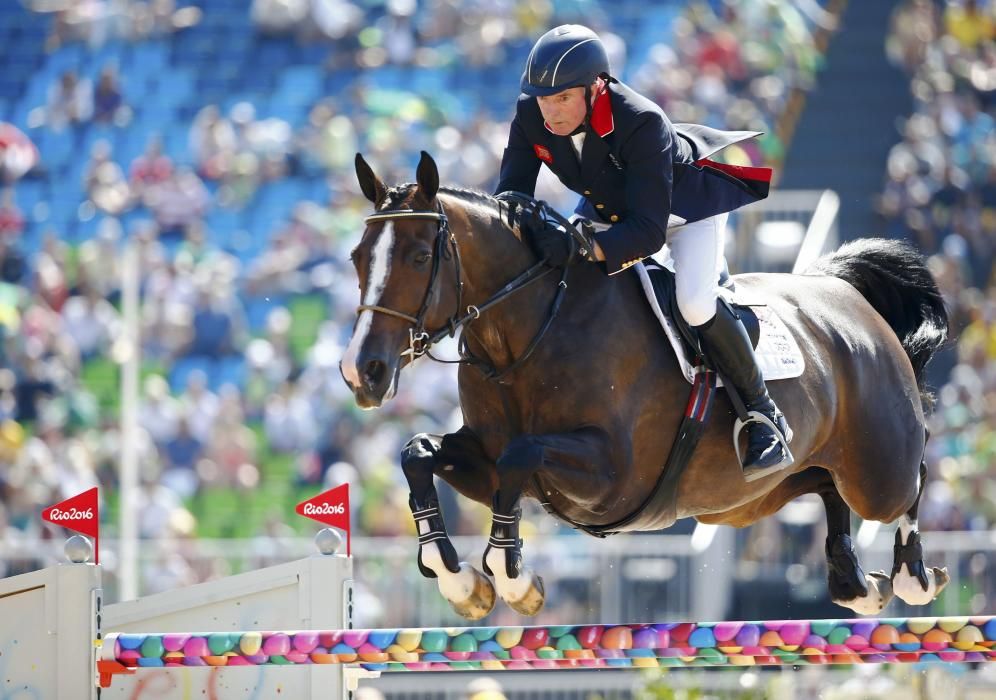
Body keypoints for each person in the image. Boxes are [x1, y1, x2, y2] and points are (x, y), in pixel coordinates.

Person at [494, 24, 791, 481]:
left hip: (680, 213)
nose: (550, 112)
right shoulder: (531, 114)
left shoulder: (641, 120)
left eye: (562, 99)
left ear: (596, 88)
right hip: (608, 210)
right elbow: (511, 195)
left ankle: (765, 416)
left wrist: (581, 244)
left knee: (693, 305)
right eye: (542, 99)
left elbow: (649, 233)